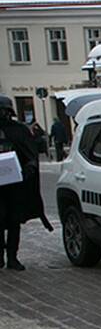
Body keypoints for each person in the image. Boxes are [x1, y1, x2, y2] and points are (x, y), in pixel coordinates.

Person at [0, 96, 54, 269]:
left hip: (15, 184)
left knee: (14, 220)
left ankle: (12, 256)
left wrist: (29, 168)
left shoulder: (19, 130)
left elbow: (30, 153)